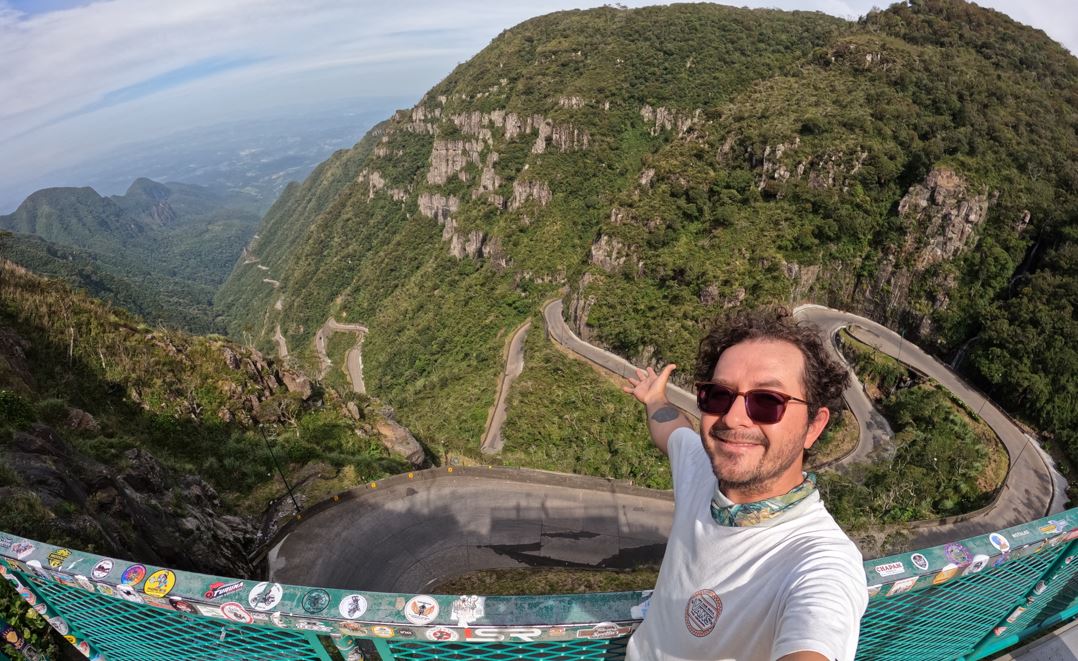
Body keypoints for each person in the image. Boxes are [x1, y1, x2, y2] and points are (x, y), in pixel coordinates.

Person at [623, 306, 867, 661]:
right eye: (718, 396)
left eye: (767, 402)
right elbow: (673, 430)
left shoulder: (820, 561)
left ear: (813, 426)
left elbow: (815, 634)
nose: (734, 417)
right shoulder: (701, 468)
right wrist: (655, 398)